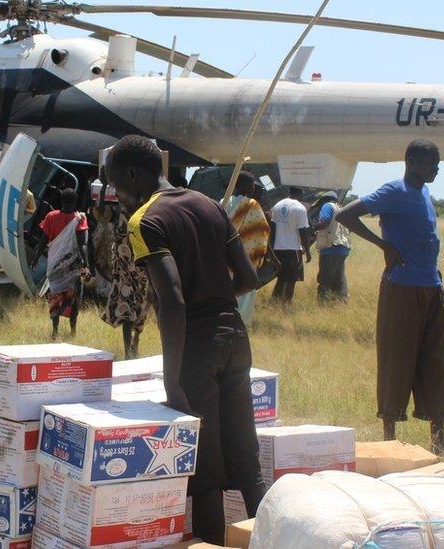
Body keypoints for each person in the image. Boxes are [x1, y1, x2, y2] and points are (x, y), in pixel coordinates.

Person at [106, 135, 264, 545]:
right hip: (234, 336)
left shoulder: (144, 221)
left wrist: (171, 381)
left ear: (133, 174)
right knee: (246, 462)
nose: (116, 196)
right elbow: (249, 278)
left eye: (116, 185)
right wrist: (217, 300)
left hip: (196, 345)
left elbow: (173, 302)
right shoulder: (209, 204)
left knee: (207, 473)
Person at [336, 139, 444, 455]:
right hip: (402, 288)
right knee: (397, 360)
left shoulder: (423, 192)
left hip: (430, 287)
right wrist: (384, 246)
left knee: (435, 364)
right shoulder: (393, 191)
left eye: (437, 163)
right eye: (430, 162)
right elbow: (346, 215)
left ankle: (438, 441)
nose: (436, 168)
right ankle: (389, 440)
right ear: (411, 161)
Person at [92, 186, 151, 359]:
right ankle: (127, 351)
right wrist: (103, 185)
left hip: (140, 268)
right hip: (125, 269)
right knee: (127, 310)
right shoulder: (120, 211)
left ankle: (135, 342)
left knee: (140, 309)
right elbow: (101, 210)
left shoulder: (144, 213)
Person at [37, 188, 89, 338]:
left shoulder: (51, 216)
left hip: (54, 265)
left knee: (55, 298)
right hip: (73, 266)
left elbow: (42, 242)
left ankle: (55, 331)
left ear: (61, 200)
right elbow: (82, 244)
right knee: (74, 298)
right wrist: (86, 264)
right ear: (75, 201)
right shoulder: (80, 218)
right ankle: (73, 331)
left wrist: (34, 260)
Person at [225, 172, 270, 325]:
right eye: (251, 184)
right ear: (243, 184)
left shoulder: (223, 201)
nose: (252, 188)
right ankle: (239, 324)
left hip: (225, 258)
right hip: (246, 258)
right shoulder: (252, 205)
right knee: (243, 296)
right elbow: (261, 230)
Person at [269, 186, 311, 304]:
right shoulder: (300, 208)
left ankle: (274, 303)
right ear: (300, 194)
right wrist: (307, 252)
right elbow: (303, 231)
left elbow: (273, 229)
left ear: (289, 192)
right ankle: (285, 305)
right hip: (292, 249)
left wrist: (271, 250)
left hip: (278, 249)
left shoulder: (277, 206)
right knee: (292, 279)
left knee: (281, 278)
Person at [311, 192, 351, 303]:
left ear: (325, 199)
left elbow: (324, 222)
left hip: (331, 247)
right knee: (339, 277)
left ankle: (323, 304)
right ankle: (341, 302)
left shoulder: (327, 206)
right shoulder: (341, 208)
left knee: (325, 279)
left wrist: (310, 228)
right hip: (343, 247)